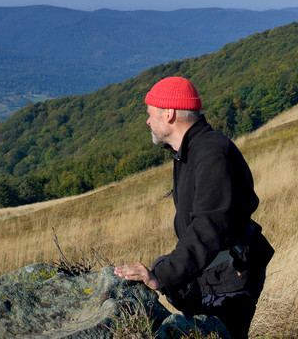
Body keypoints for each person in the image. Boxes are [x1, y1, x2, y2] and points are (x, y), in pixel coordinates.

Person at [114, 76, 274, 339]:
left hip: (229, 277)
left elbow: (208, 227)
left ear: (169, 113)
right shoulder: (189, 150)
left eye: (150, 113)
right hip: (215, 273)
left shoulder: (211, 152)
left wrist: (161, 276)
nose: (147, 121)